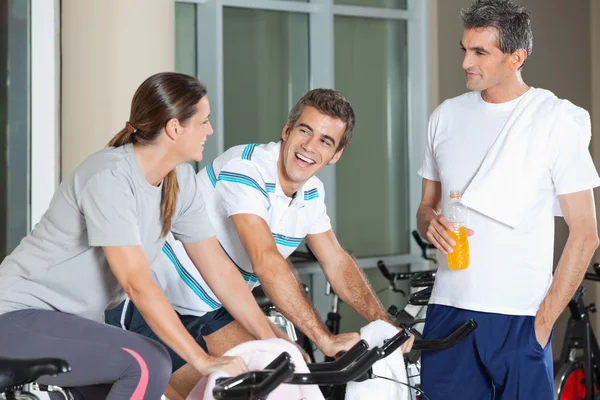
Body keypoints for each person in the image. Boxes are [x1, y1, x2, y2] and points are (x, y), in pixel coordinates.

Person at [107, 88, 414, 397]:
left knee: (292, 376)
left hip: (213, 309)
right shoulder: (247, 168)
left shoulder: (312, 194)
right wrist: (324, 338)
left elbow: (335, 261)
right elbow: (265, 259)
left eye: (325, 141)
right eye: (304, 131)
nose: (309, 146)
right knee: (233, 393)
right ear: (287, 130)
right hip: (154, 303)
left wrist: (385, 325)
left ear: (335, 155)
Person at [0, 72, 277, 400]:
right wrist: (201, 359)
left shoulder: (180, 182)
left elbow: (221, 273)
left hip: (70, 325)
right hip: (17, 317)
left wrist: (272, 344)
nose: (210, 131)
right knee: (147, 363)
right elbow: (137, 284)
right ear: (174, 128)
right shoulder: (110, 177)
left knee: (130, 379)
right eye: (203, 122)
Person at [417, 0, 600, 399]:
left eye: (480, 52)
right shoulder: (444, 118)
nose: (466, 61)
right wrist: (429, 220)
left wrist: (541, 326)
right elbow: (425, 208)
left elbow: (585, 234)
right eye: (464, 49)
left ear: (517, 57)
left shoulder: (555, 121)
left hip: (520, 315)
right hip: (448, 308)